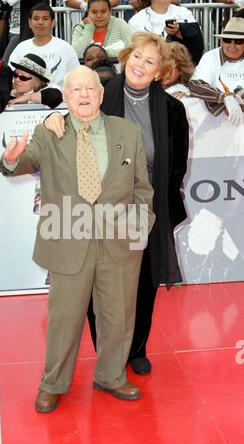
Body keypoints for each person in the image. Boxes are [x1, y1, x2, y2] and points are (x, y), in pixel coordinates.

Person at [0, 65, 155, 412]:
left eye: (90, 89)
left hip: (119, 243)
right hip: (68, 239)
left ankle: (111, 376)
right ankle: (53, 383)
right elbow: (23, 161)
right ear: (66, 97)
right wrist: (11, 160)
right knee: (64, 318)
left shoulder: (127, 131)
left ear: (100, 95)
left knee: (118, 316)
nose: (84, 95)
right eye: (76, 90)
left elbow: (142, 189)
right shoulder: (50, 131)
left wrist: (139, 227)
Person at [45, 32, 189, 375]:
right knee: (98, 284)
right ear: (126, 57)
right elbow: (71, 117)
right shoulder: (101, 92)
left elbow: (177, 166)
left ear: (160, 71)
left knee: (141, 285)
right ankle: (109, 352)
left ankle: (136, 349)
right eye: (137, 56)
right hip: (98, 208)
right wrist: (53, 120)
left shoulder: (172, 109)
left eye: (150, 61)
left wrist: (153, 205)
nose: (141, 65)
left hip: (144, 209)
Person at [8, 3, 80, 88]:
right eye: (36, 19)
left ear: (53, 23)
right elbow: (10, 79)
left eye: (45, 19)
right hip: (25, 100)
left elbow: (77, 77)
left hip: (59, 99)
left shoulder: (65, 48)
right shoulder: (21, 48)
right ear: (30, 23)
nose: (40, 22)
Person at [189, 17, 244, 124]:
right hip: (215, 122)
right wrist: (224, 97)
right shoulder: (210, 56)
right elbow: (195, 85)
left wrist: (238, 101)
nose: (232, 46)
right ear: (221, 41)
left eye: (239, 41)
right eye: (227, 40)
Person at [128, 0, 204, 65]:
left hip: (182, 66)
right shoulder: (137, 20)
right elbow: (136, 51)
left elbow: (198, 41)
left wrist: (180, 30)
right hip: (151, 68)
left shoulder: (184, 12)